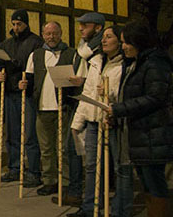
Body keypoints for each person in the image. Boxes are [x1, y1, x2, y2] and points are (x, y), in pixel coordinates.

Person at [107, 21, 173, 217]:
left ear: (138, 41)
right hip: (142, 134)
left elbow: (155, 96)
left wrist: (119, 109)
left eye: (126, 42)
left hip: (153, 134)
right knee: (148, 184)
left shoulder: (155, 63)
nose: (123, 47)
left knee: (155, 183)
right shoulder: (139, 62)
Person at [67, 25, 125, 217]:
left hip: (113, 122)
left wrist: (108, 94)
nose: (104, 40)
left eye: (109, 37)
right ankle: (90, 207)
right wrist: (77, 123)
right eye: (104, 37)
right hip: (93, 121)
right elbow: (87, 93)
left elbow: (124, 95)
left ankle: (117, 209)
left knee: (118, 167)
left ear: (120, 40)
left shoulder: (123, 65)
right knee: (92, 166)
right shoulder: (95, 62)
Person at [20, 21, 78, 197]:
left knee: (64, 148)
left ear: (61, 34)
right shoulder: (36, 55)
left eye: (55, 33)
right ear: (43, 35)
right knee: (46, 148)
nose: (51, 37)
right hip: (42, 108)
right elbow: (29, 79)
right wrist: (22, 84)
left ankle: (67, 181)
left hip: (64, 107)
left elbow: (78, 80)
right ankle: (49, 180)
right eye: (48, 34)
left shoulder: (71, 54)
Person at [60, 12, 105, 207]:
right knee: (74, 148)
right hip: (77, 101)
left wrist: (84, 81)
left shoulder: (100, 50)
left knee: (85, 152)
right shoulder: (83, 49)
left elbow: (102, 78)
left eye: (85, 25)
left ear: (98, 28)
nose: (80, 29)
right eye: (80, 25)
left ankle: (88, 195)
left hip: (92, 104)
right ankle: (79, 191)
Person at [0, 9, 44, 187]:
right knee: (12, 134)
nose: (16, 27)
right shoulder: (5, 44)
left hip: (27, 94)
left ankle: (33, 171)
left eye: (19, 24)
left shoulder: (35, 42)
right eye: (14, 24)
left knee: (30, 134)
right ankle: (15, 168)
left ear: (26, 24)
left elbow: (38, 68)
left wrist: (28, 83)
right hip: (9, 92)